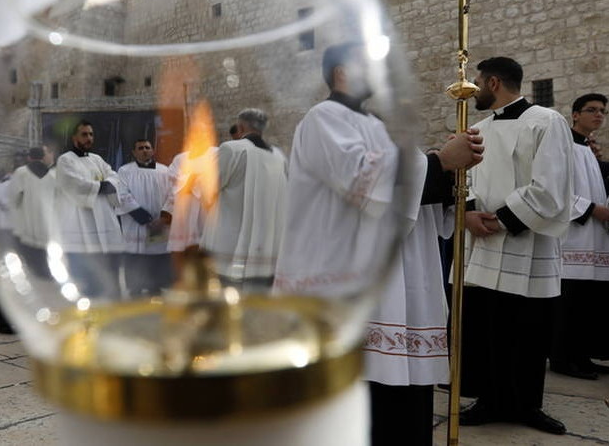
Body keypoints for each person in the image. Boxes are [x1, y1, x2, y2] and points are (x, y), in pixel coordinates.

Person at [273, 43, 483, 446]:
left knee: (401, 405)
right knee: (373, 407)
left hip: (399, 284)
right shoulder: (325, 117)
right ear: (341, 74)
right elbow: (365, 182)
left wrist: (447, 175)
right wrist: (439, 163)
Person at [459, 56, 572, 435]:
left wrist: (504, 219)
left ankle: (526, 405)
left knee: (526, 328)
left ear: (493, 82)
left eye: (476, 81)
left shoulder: (545, 121)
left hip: (527, 242)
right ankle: (489, 400)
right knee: (488, 324)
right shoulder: (476, 128)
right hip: (483, 242)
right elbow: (467, 179)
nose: (472, 88)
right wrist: (470, 213)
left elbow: (551, 185)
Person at [550, 93, 609, 378]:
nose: (598, 115)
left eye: (602, 111)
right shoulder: (563, 145)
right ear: (575, 114)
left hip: (595, 238)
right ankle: (562, 359)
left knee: (588, 304)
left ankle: (582, 357)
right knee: (570, 304)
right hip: (573, 236)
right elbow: (557, 189)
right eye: (592, 110)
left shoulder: (588, 148)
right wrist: (592, 210)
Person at [201, 109, 287, 290]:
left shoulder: (231, 149)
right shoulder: (279, 157)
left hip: (229, 243)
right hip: (266, 246)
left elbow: (208, 187)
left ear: (240, 126)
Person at [56, 121, 124, 298]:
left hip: (104, 215)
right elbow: (75, 183)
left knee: (108, 262)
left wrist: (105, 185)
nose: (89, 138)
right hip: (81, 218)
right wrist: (101, 187)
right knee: (86, 266)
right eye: (84, 134)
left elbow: (114, 176)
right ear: (74, 138)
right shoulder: (65, 160)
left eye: (91, 134)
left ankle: (109, 294)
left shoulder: (97, 159)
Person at [116, 139, 173, 296]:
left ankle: (156, 286)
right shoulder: (124, 171)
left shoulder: (165, 171)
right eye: (140, 148)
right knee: (136, 255)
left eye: (147, 147)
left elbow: (172, 195)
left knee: (157, 254)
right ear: (134, 152)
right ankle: (135, 288)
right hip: (137, 223)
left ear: (153, 150)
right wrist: (146, 219)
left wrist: (163, 218)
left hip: (159, 224)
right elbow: (122, 195)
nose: (144, 150)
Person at [9, 146, 57, 274]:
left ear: (29, 157)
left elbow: (13, 199)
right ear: (43, 157)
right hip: (48, 228)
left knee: (30, 268)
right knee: (45, 266)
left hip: (27, 230)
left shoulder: (21, 172)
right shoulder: (53, 175)